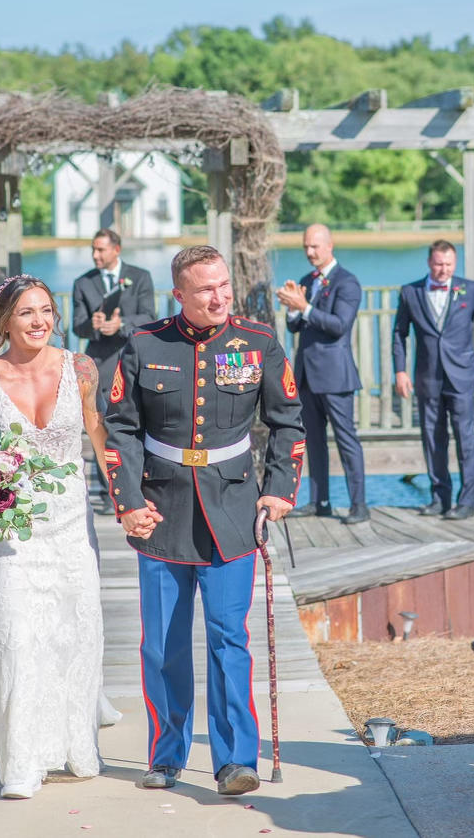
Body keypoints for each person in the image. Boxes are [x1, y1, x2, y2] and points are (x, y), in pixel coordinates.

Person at [103, 245, 305, 795]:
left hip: (233, 509)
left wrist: (280, 490)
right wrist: (127, 502)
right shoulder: (145, 345)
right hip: (161, 512)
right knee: (163, 645)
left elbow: (287, 422)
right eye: (205, 289)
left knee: (226, 639)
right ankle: (166, 756)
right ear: (180, 295)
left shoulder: (258, 343)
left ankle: (235, 761)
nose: (218, 297)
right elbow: (120, 428)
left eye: (223, 286)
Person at [0, 275, 114, 799]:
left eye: (46, 310)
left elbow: (100, 436)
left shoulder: (81, 369)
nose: (40, 320)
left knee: (75, 630)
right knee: (17, 633)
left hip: (71, 526)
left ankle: (76, 744)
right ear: (5, 322)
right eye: (26, 313)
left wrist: (130, 503)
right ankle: (22, 760)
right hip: (13, 530)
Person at [393, 240, 474, 520]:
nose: (444, 270)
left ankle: (466, 502)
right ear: (430, 262)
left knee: (465, 439)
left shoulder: (470, 289)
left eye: (449, 265)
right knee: (432, 439)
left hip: (462, 376)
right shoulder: (410, 292)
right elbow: (399, 333)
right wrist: (400, 371)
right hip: (427, 377)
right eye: (439, 264)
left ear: (455, 264)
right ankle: (440, 498)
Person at [276, 224, 368, 524]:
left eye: (314, 246)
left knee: (346, 440)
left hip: (335, 375)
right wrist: (293, 309)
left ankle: (358, 505)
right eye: (305, 246)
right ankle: (320, 501)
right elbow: (296, 327)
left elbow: (339, 325)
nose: (309, 252)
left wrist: (303, 306)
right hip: (306, 375)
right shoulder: (306, 280)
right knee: (313, 442)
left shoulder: (347, 282)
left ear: (330, 245)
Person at [73, 228, 155, 513]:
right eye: (93, 250)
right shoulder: (82, 283)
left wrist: (121, 325)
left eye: (101, 250)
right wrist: (93, 325)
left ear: (116, 250)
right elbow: (77, 325)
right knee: (102, 424)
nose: (96, 255)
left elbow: (149, 316)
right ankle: (110, 496)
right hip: (101, 364)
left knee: (141, 424)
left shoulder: (140, 276)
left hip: (134, 358)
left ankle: (144, 488)